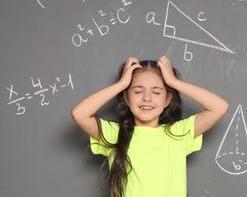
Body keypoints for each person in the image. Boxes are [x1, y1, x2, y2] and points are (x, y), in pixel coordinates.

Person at [71, 55, 229, 197]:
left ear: (167, 100)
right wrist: (121, 84)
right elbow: (79, 113)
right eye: (138, 91)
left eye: (157, 92)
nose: (147, 98)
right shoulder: (114, 134)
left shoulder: (178, 133)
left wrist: (174, 82)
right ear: (126, 98)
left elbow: (219, 107)